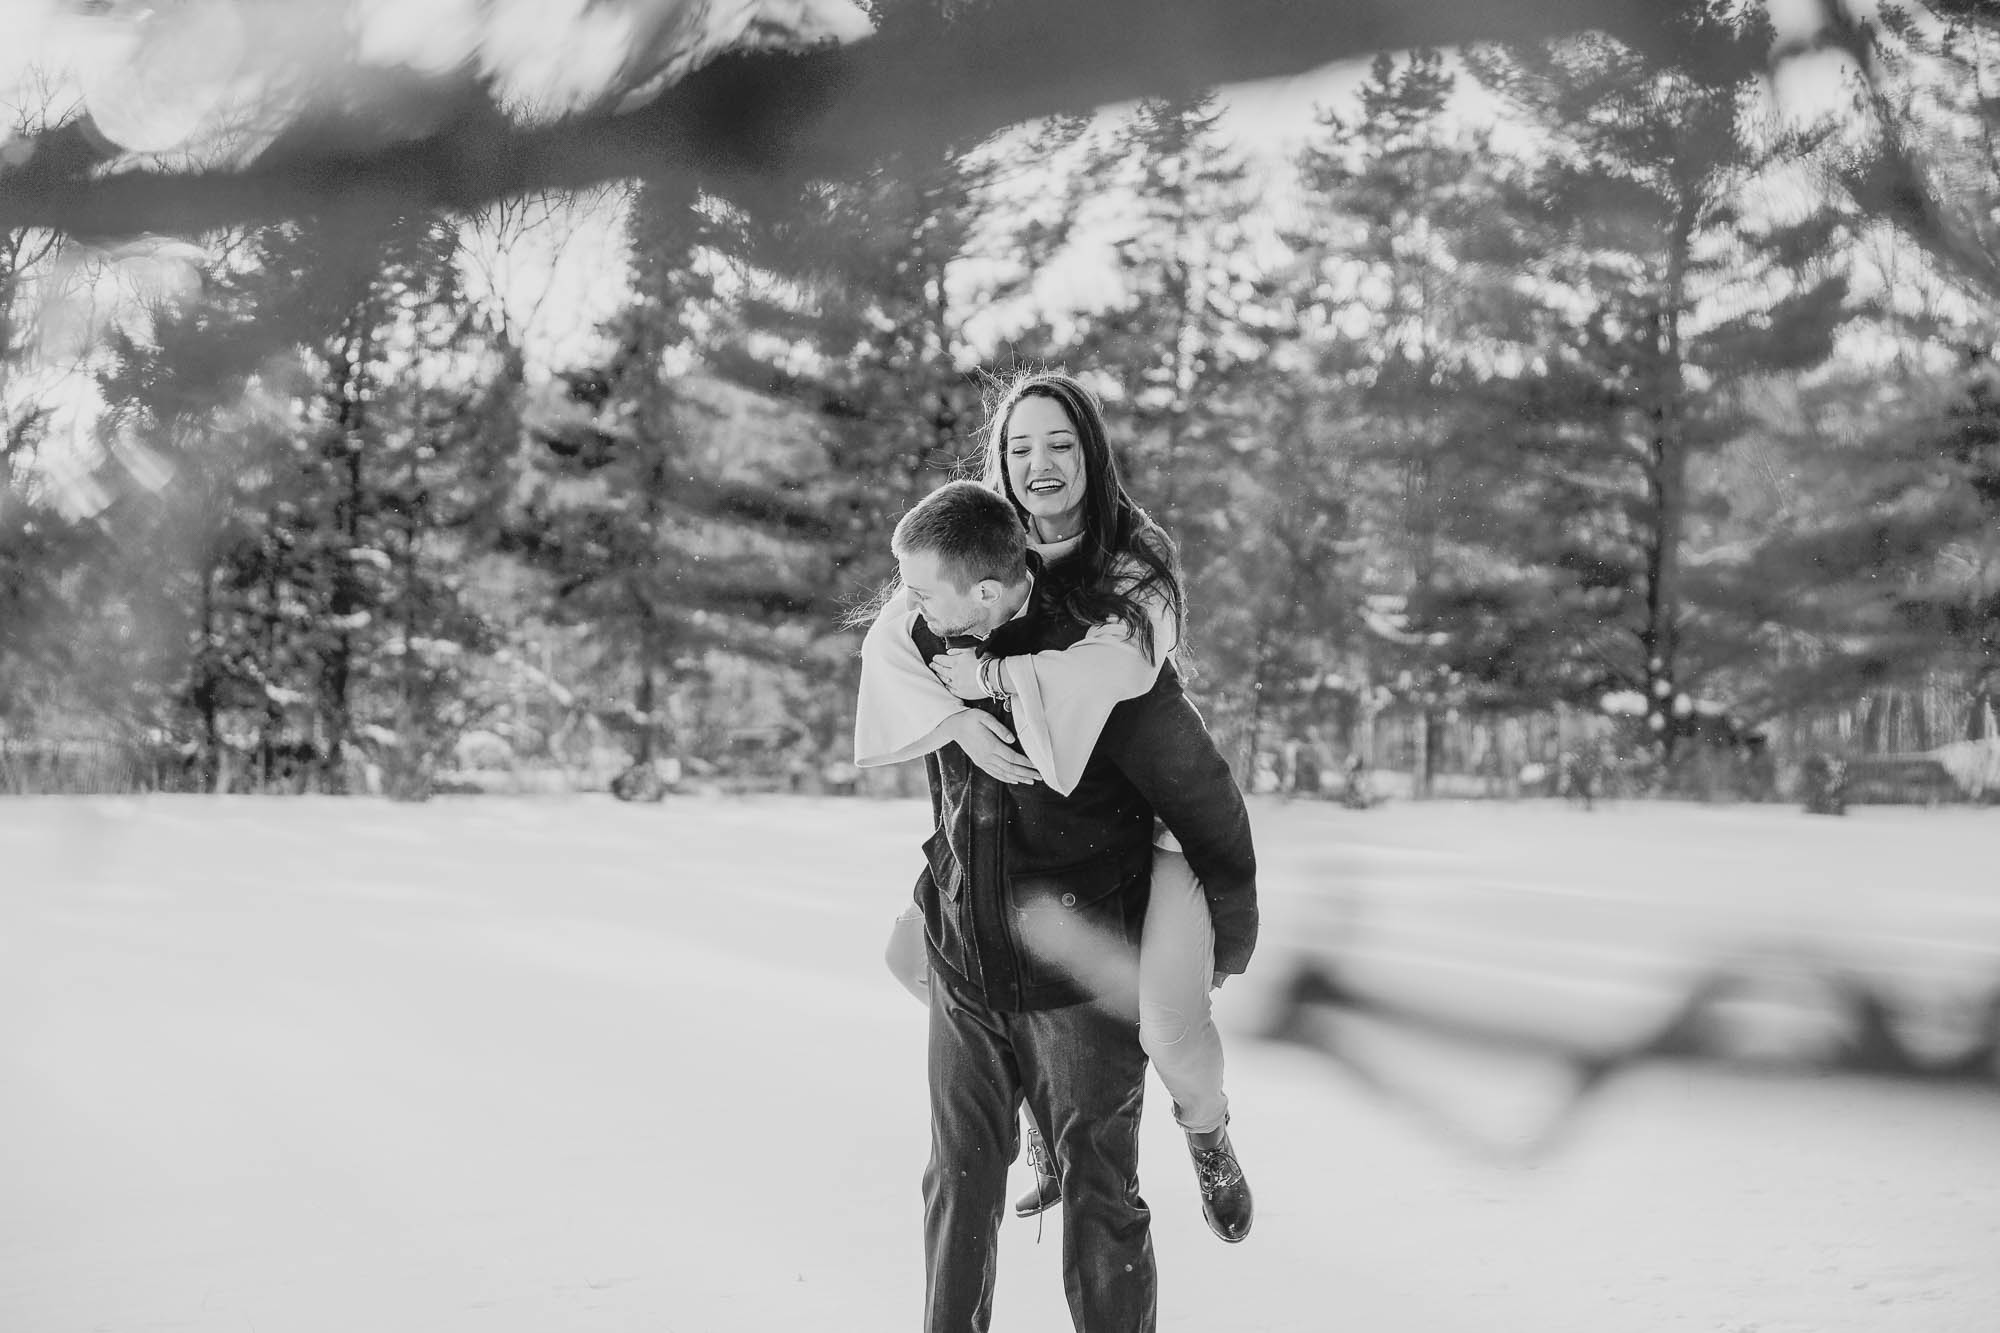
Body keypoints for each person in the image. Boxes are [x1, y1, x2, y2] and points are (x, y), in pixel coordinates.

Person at [855, 373, 1256, 1242]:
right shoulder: (984, 553)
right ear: (999, 462)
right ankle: (1039, 1107)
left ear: (1091, 455)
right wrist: (957, 719)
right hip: (1052, 850)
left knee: (1170, 1026)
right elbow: (891, 640)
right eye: (1019, 447)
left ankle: (1208, 1129)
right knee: (910, 955)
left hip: (1154, 828)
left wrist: (988, 677)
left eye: (1060, 445)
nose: (1039, 464)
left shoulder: (1135, 563)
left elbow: (1104, 674)